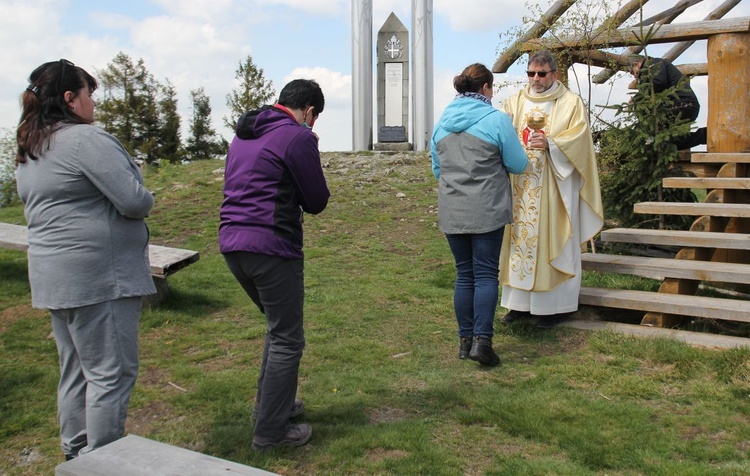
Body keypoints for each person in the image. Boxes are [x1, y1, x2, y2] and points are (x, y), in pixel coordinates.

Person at [15, 59, 156, 460]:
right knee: (110, 375)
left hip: (53, 277)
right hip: (98, 277)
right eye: (89, 94)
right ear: (70, 99)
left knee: (75, 371)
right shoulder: (85, 141)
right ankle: (102, 463)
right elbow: (133, 200)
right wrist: (147, 194)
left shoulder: (32, 145)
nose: (93, 103)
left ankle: (75, 455)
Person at [219, 79, 329, 450]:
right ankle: (271, 432)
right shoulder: (297, 138)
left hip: (233, 243)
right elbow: (316, 200)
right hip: (271, 245)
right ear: (309, 111)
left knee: (277, 328)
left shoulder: (244, 134)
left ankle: (270, 407)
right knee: (287, 338)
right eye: (314, 119)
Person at [431, 63, 528, 367]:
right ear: (486, 88)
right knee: (486, 274)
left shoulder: (441, 123)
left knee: (464, 274)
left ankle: (464, 342)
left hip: (453, 208)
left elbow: (437, 169)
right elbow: (518, 163)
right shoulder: (497, 121)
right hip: (487, 207)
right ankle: (482, 344)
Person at [499, 50, 604, 329]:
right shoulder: (514, 102)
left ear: (554, 75)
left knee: (554, 239)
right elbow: (501, 132)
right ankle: (518, 306)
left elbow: (580, 140)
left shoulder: (570, 104)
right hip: (520, 187)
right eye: (531, 73)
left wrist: (551, 144)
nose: (535, 79)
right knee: (519, 243)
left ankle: (555, 307)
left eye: (542, 74)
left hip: (556, 187)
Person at [628, 54, 707, 150]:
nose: (634, 76)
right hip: (680, 105)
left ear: (637, 64)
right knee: (668, 142)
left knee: (646, 111)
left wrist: (637, 98)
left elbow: (658, 83)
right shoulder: (650, 69)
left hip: (685, 104)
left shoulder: (655, 63)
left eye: (632, 72)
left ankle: (645, 141)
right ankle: (704, 135)